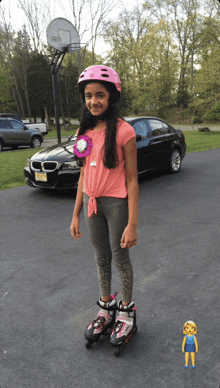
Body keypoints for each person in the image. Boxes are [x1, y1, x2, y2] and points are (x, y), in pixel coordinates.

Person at [70, 65, 139, 348]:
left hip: (116, 203)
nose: (93, 101)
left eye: (100, 95)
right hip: (91, 203)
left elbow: (133, 180)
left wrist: (133, 223)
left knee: (119, 258)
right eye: (88, 95)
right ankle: (106, 308)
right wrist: (76, 212)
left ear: (112, 97)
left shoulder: (125, 131)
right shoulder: (83, 130)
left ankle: (126, 312)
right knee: (101, 258)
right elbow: (83, 173)